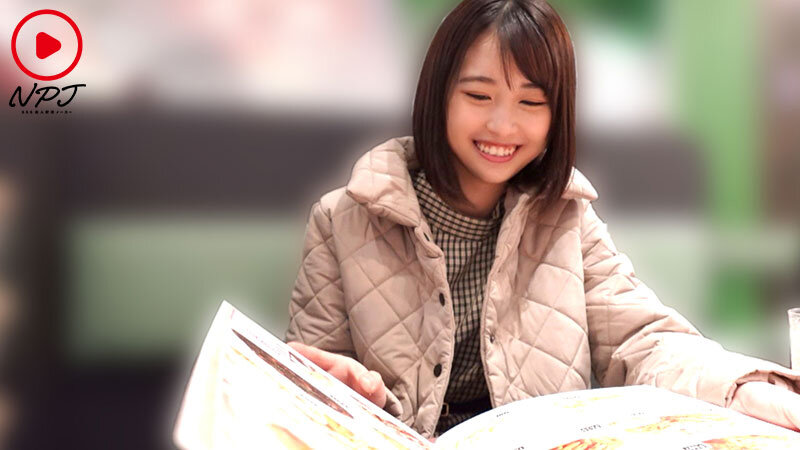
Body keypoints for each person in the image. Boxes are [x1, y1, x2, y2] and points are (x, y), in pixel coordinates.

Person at [285, 0, 800, 439]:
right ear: (437, 94)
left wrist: (744, 391)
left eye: (531, 102)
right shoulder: (342, 220)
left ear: (557, 116)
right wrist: (351, 394)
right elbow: (305, 389)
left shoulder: (567, 218)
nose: (502, 125)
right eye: (479, 96)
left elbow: (642, 339)